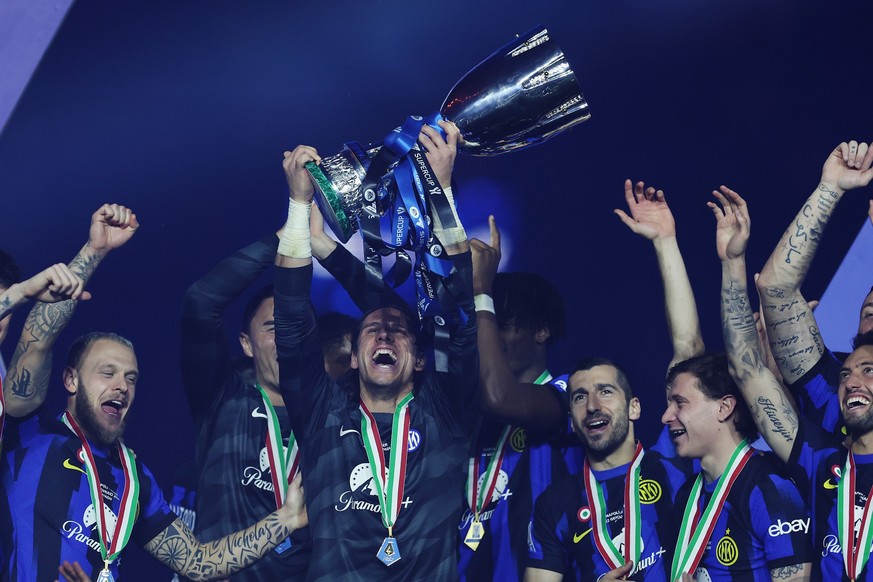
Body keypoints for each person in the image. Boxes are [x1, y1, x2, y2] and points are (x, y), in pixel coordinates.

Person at [274, 121, 478, 580]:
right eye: (372, 329)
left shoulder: (446, 409)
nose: (385, 334)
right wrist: (298, 205)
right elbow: (290, 322)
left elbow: (458, 315)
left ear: (422, 358)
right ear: (351, 356)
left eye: (399, 330)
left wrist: (440, 193)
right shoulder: (322, 411)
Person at [1, 332, 307, 581]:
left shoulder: (135, 479)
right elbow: (36, 341)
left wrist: (287, 518)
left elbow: (197, 562)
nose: (121, 386)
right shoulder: (30, 433)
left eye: (131, 378)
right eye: (107, 373)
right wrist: (89, 257)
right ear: (70, 380)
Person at [662, 185, 812, 581]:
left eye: (680, 403)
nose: (666, 416)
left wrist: (734, 263)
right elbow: (684, 346)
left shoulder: (769, 488)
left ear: (725, 407)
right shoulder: (689, 495)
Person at [460, 216, 579, 581]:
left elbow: (500, 396)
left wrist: (482, 290)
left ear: (542, 331)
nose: (492, 337)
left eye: (504, 324)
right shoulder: (475, 412)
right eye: (489, 325)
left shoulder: (567, 394)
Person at [525, 357, 688, 581]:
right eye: (580, 397)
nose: (592, 406)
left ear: (634, 408)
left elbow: (689, 354)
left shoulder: (675, 466)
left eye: (605, 392)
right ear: (572, 421)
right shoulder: (555, 503)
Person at [756, 140, 873, 436]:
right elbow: (775, 288)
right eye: (868, 310)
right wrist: (830, 188)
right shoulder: (832, 384)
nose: (854, 380)